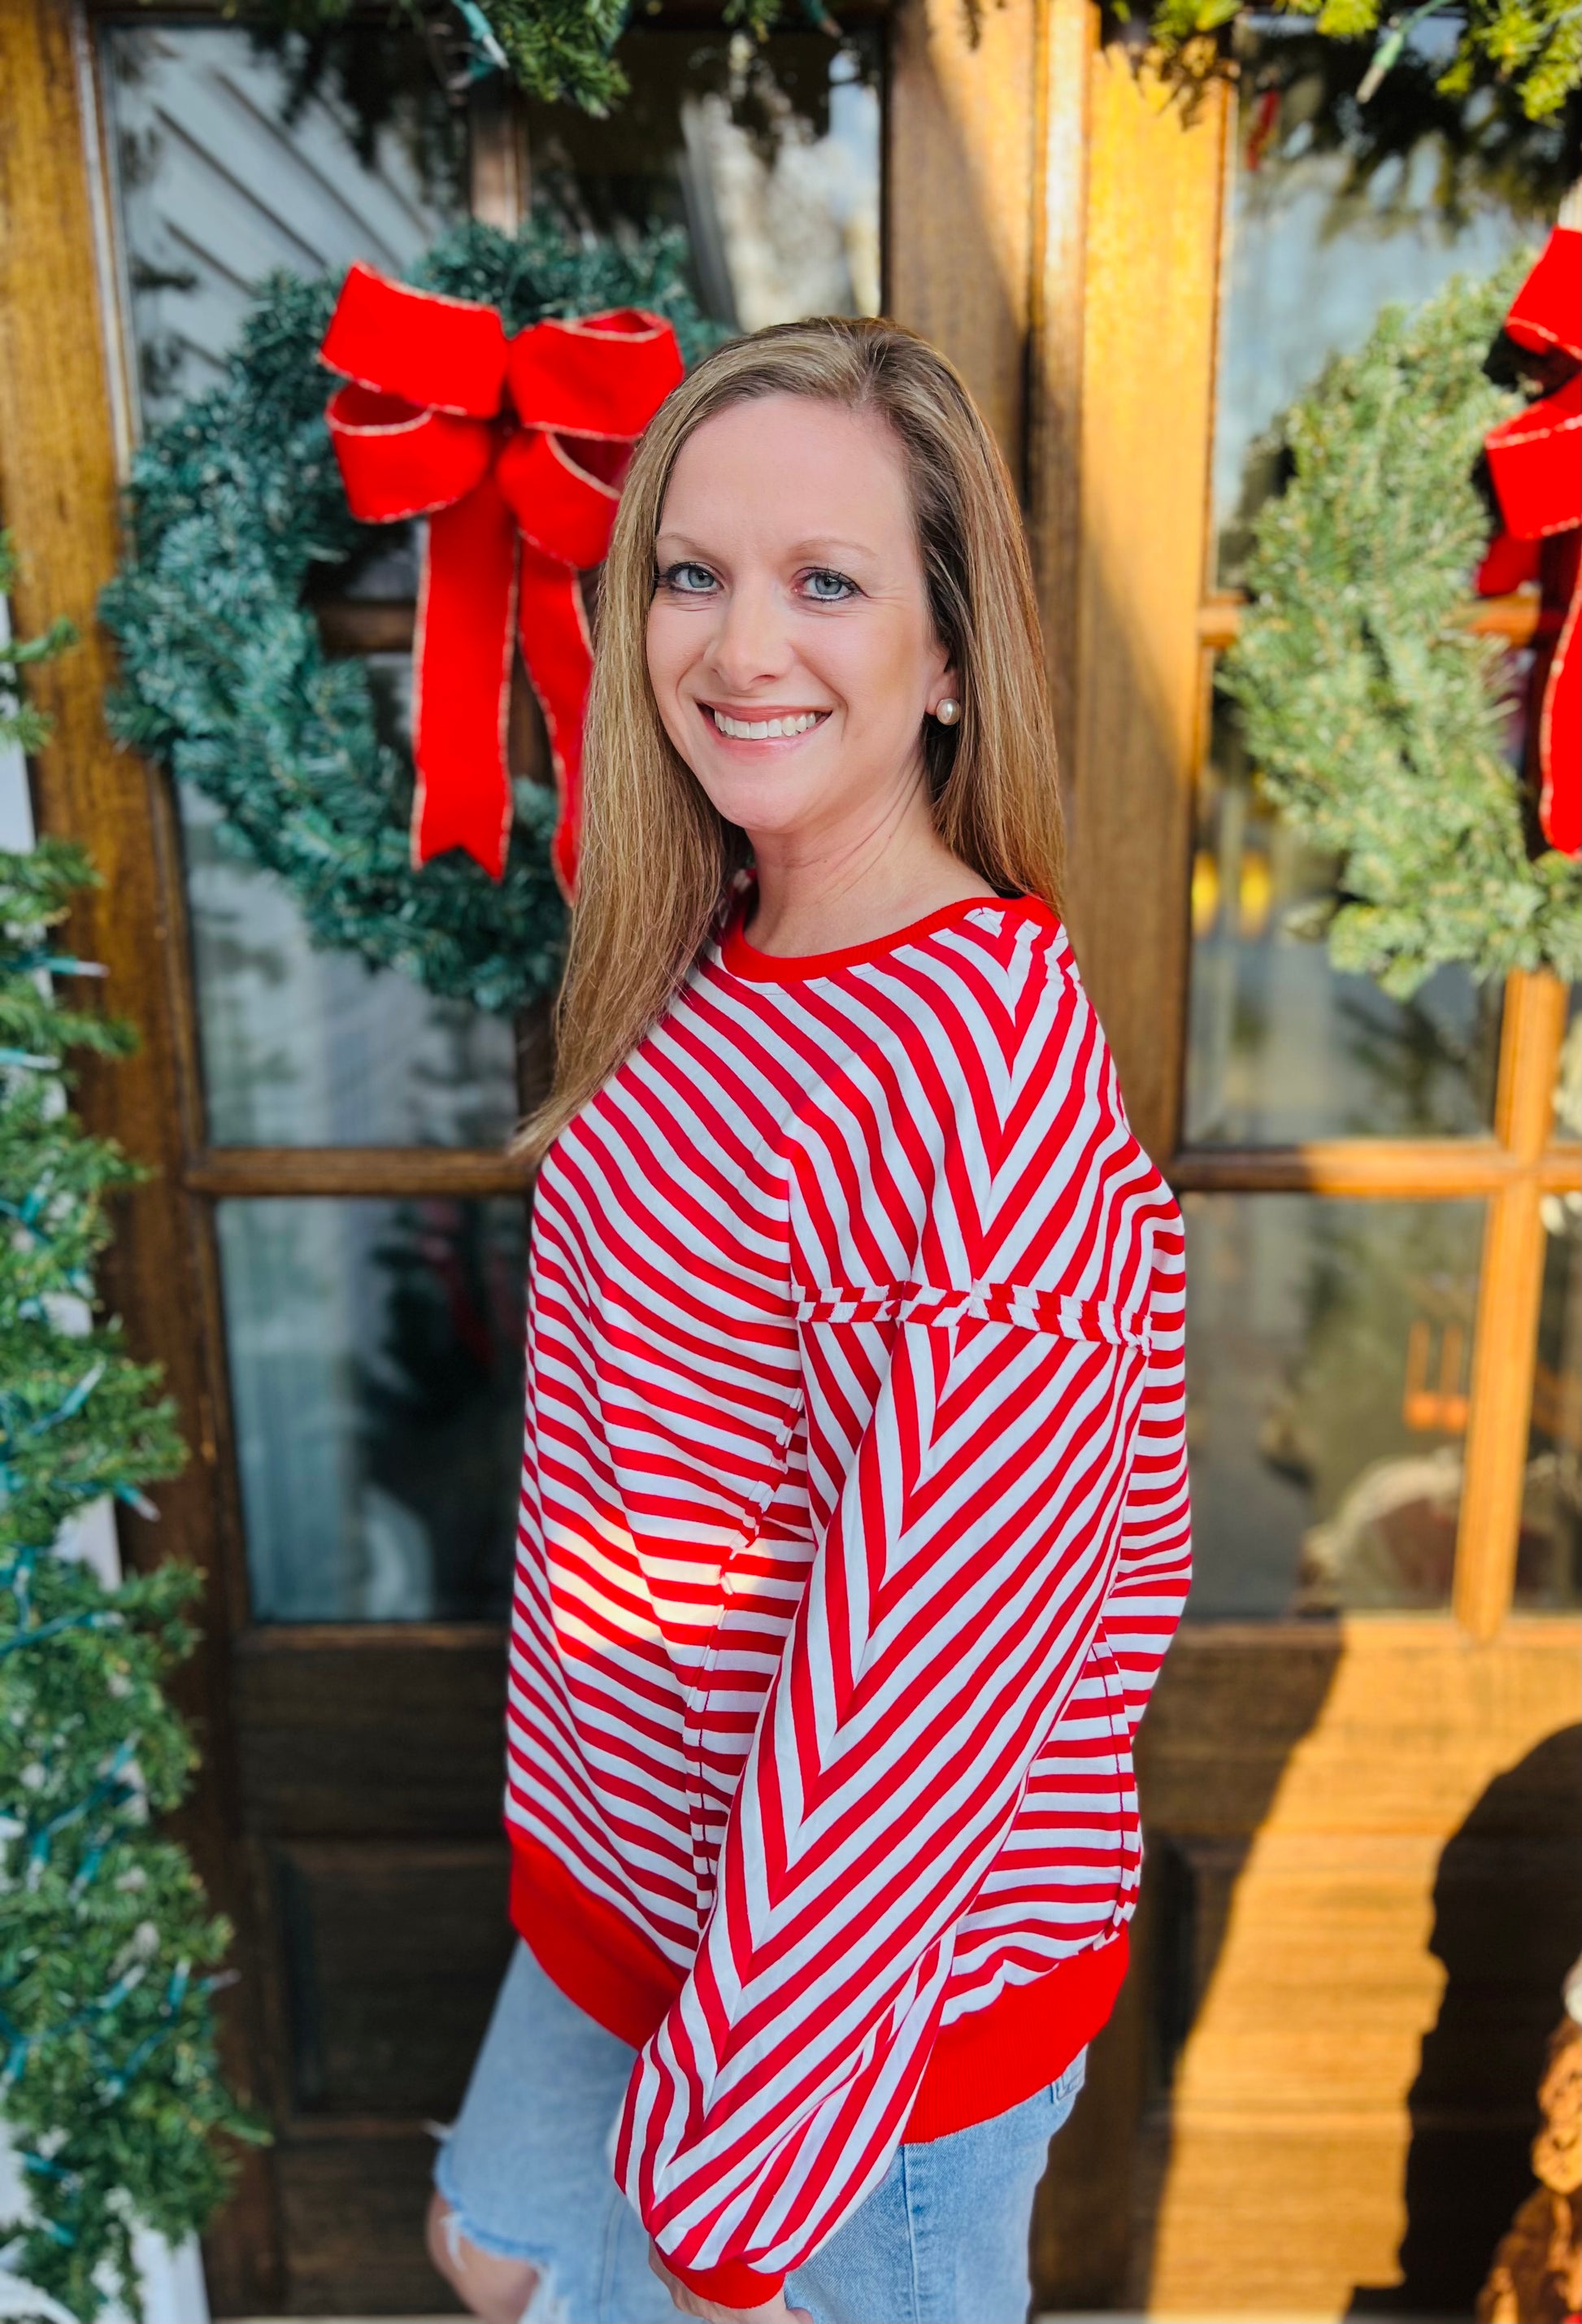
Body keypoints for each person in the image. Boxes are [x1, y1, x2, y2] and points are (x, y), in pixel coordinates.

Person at [425, 316, 1192, 2324]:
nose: (739, 644)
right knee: (495, 2249)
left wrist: (733, 2199)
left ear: (949, 658)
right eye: (693, 572)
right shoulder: (712, 958)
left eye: (826, 581)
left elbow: (930, 1686)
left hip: (849, 2025)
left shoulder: (983, 1077)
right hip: (635, 1901)